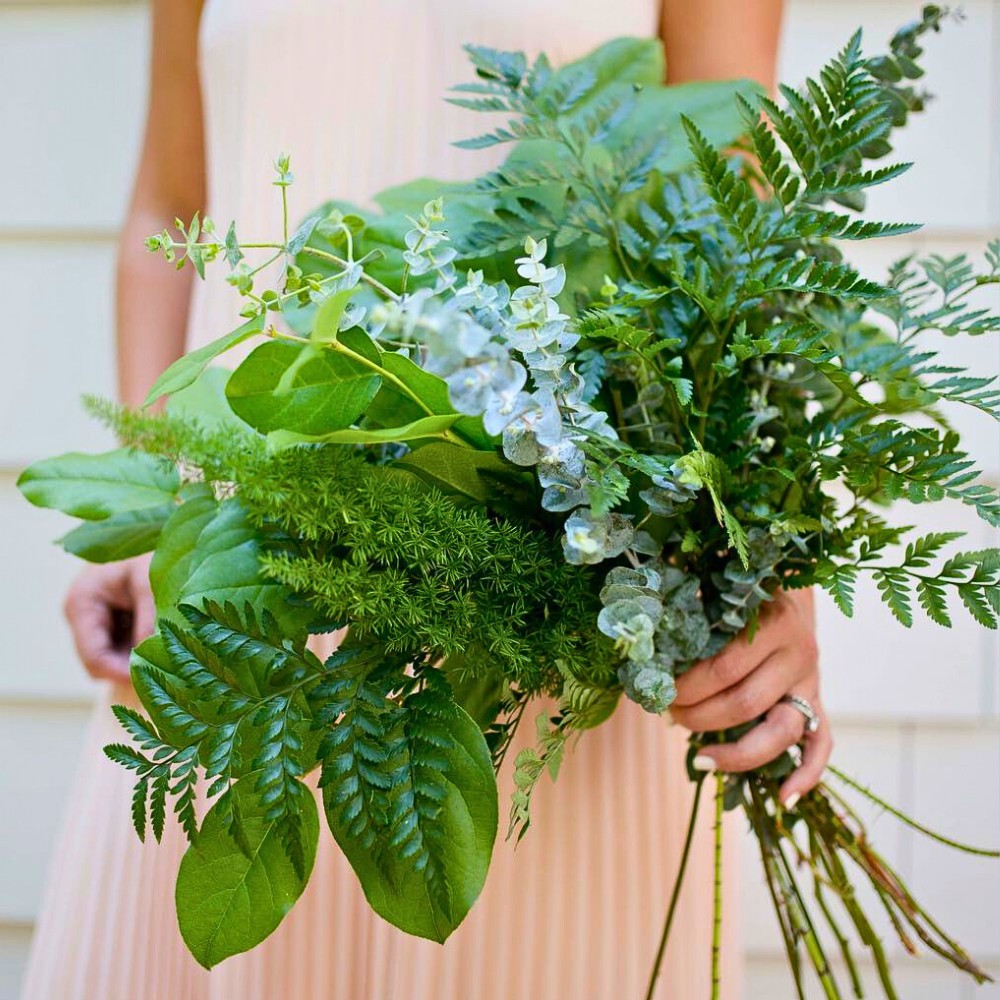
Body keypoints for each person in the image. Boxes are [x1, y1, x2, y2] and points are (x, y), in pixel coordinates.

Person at [23, 2, 831, 997]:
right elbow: (169, 202)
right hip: (234, 598)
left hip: (555, 619)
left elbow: (730, 215)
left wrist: (760, 557)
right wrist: (147, 483)